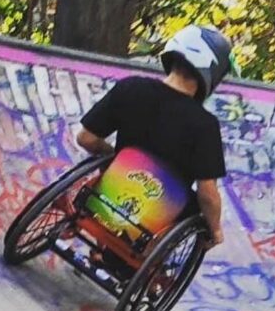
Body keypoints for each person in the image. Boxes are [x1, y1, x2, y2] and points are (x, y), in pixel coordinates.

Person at [75, 24, 233, 249]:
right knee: (201, 209)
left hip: (106, 197)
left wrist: (113, 156)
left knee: (115, 164)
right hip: (153, 226)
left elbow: (86, 138)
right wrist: (215, 230)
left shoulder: (131, 87)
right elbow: (207, 194)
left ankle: (101, 240)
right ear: (213, 71)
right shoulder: (205, 125)